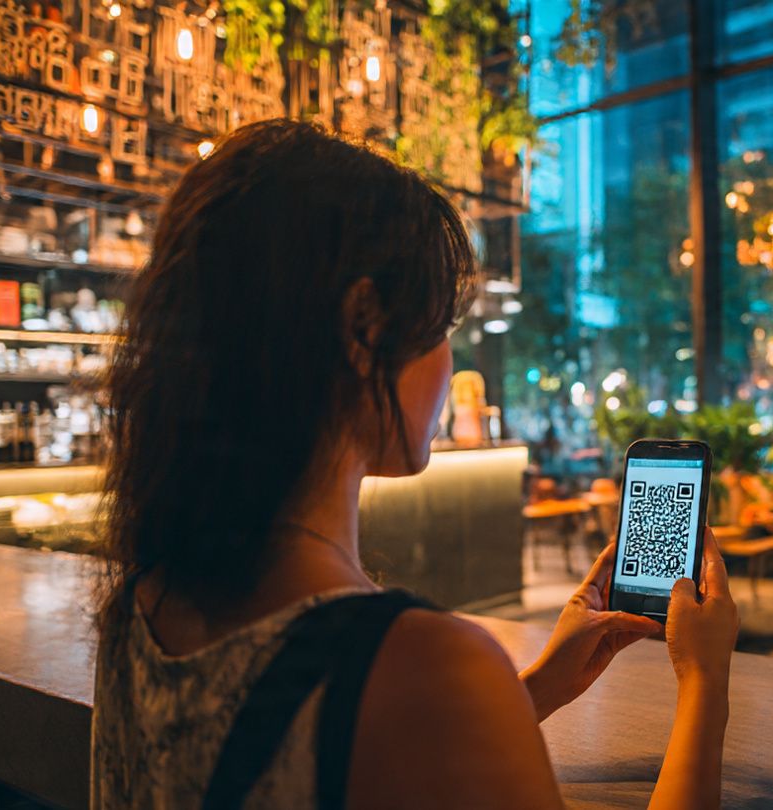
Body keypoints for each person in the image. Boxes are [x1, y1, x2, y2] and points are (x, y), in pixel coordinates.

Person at [91, 120, 738, 809]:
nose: (451, 364)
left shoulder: (138, 609)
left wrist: (539, 688)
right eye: (443, 329)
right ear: (365, 330)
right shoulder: (419, 667)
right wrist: (705, 683)